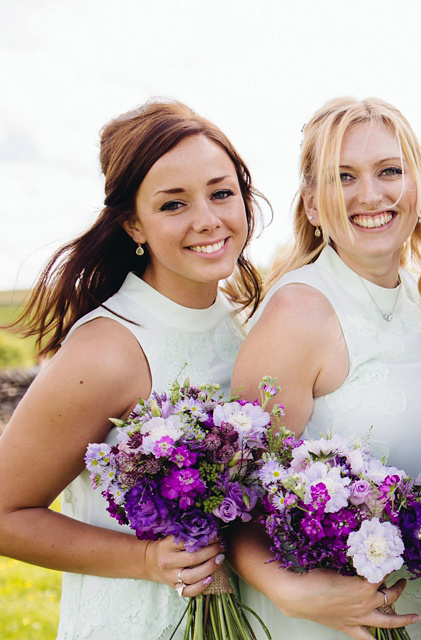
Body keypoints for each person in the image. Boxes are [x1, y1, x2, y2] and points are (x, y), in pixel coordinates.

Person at [0, 99, 265, 639]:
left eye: (221, 192)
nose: (207, 220)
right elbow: (6, 513)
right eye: (173, 205)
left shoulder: (244, 322)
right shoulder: (109, 350)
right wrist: (145, 560)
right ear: (133, 224)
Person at [228, 96, 421, 640]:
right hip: (328, 623)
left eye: (389, 171)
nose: (370, 195)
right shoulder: (297, 313)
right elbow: (237, 494)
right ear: (313, 204)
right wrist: (288, 590)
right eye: (344, 178)